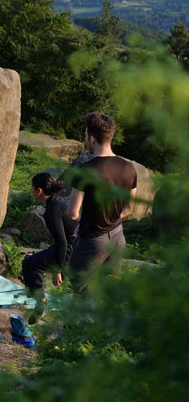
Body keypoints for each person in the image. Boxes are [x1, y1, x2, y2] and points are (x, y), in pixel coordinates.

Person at [67, 112, 137, 292]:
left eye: (85, 134)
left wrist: (91, 218)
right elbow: (128, 208)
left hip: (93, 240)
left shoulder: (85, 170)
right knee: (105, 293)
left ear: (91, 138)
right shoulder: (128, 167)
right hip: (117, 237)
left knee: (77, 287)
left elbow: (72, 213)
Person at [22, 172, 78, 310]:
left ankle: (40, 305)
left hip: (73, 246)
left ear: (39, 190)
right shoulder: (59, 201)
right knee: (34, 259)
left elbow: (62, 243)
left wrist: (57, 269)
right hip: (81, 243)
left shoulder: (51, 212)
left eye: (32, 188)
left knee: (30, 263)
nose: (31, 190)